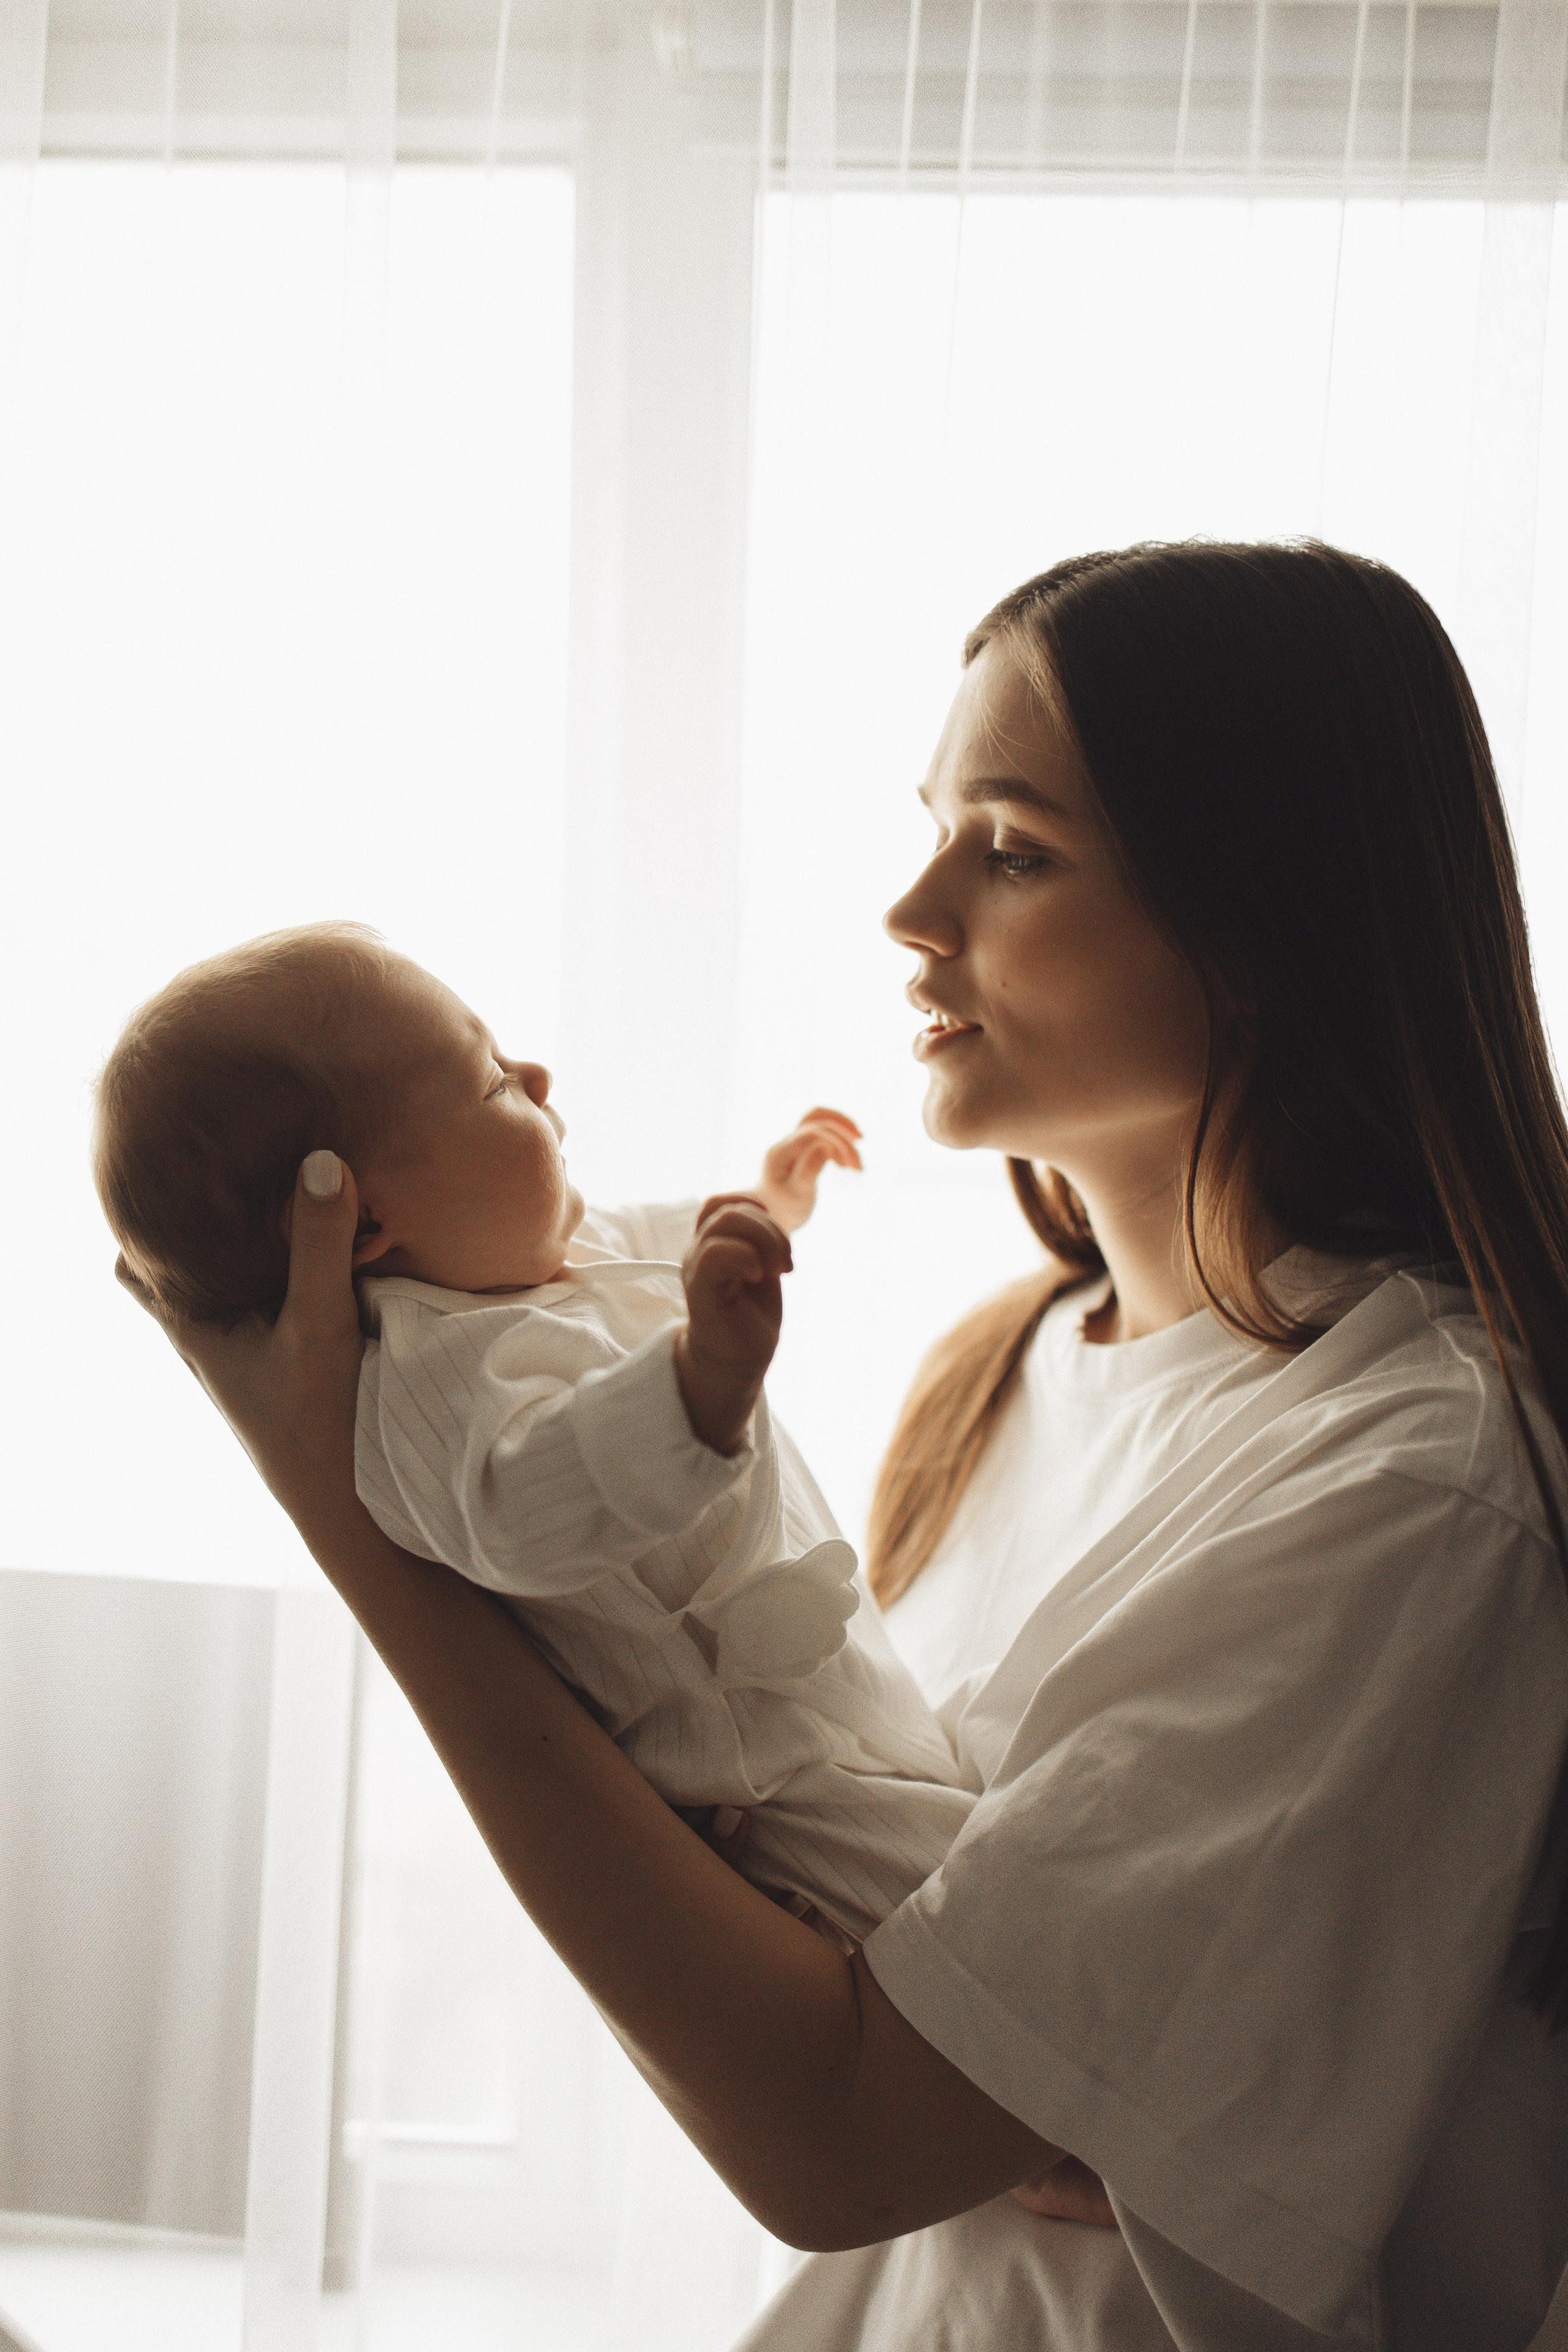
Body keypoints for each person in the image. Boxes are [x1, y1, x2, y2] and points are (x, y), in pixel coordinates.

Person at [121, 540, 1568, 2350]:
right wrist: (980, 2058)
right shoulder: (1002, 1367)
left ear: (1267, 920)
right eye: (936, 826)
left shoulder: (1407, 1477)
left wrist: (359, 1534)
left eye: (1014, 849)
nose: (911, 907)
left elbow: (828, 2125)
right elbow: (794, 1957)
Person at [92, 930, 970, 1943]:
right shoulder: (430, 1378)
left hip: (850, 1725)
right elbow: (526, 1504)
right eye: (491, 1082)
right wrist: (696, 1388)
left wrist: (759, 1205)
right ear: (365, 1221)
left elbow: (645, 1243)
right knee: (977, 1943)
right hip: (782, 1802)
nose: (537, 1074)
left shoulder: (538, 1258)